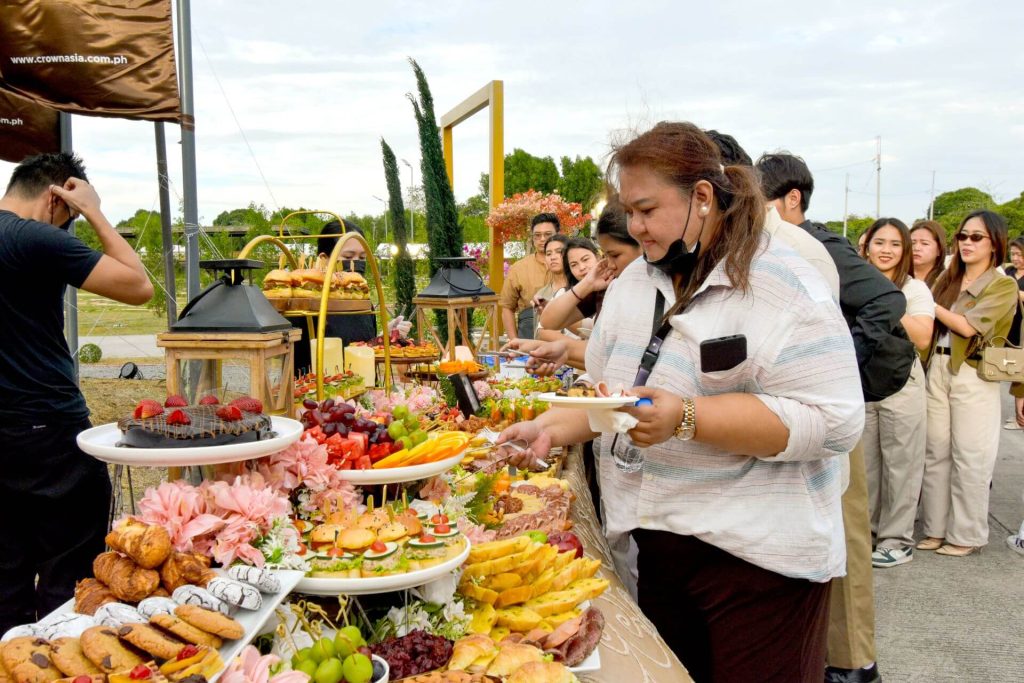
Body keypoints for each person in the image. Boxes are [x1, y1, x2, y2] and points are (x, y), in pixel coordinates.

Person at [501, 122, 862, 682]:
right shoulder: (632, 284)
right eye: (628, 210)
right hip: (661, 546)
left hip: (759, 563)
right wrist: (547, 428)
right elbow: (612, 398)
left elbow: (834, 421)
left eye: (646, 210)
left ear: (703, 196)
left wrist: (688, 417)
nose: (634, 227)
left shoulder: (783, 281)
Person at [756, 151, 914, 683]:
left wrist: (842, 358)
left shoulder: (816, 243)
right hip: (808, 408)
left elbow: (886, 300)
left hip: (833, 409)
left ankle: (854, 664)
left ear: (791, 199)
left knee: (845, 532)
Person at [0, 152, 153, 633]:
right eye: (69, 219)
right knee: (71, 578)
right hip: (48, 431)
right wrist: (94, 212)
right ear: (55, 199)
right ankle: (62, 654)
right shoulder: (33, 236)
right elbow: (138, 286)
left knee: (4, 579)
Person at [918, 210, 1017, 557]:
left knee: (971, 455)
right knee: (935, 452)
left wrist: (927, 303)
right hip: (936, 366)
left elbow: (968, 327)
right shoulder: (946, 279)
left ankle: (966, 533)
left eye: (976, 237)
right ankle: (934, 528)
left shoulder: (1001, 285)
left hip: (974, 372)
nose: (967, 243)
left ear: (995, 244)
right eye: (962, 236)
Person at [860, 218, 934, 568]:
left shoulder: (913, 288)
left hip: (903, 381)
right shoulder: (854, 284)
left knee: (901, 465)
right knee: (865, 467)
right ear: (866, 247)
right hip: (863, 381)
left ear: (904, 250)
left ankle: (897, 540)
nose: (886, 250)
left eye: (894, 244)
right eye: (879, 242)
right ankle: (866, 534)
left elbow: (923, 337)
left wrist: (885, 303)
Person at [292, 221, 379, 374]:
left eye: (362, 257)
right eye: (348, 256)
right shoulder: (307, 302)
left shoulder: (362, 300)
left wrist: (385, 336)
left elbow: (365, 345)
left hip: (364, 384)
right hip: (318, 384)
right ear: (324, 258)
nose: (356, 263)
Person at [499, 213, 559, 340]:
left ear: (558, 234)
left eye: (548, 234)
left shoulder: (571, 264)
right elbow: (507, 308)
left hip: (565, 335)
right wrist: (515, 341)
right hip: (528, 335)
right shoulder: (518, 268)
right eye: (537, 235)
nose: (542, 239)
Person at [1001, 237, 1024, 430]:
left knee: (1021, 375)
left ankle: (1020, 418)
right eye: (1013, 254)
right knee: (1015, 371)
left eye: (1020, 254)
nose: (1015, 258)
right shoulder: (1007, 273)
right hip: (1008, 330)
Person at [530, 234, 569, 325]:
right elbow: (538, 330)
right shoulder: (541, 295)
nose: (553, 257)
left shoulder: (581, 288)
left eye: (559, 252)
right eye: (548, 254)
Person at [910, 220, 948, 287]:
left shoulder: (947, 281)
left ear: (939, 250)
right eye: (912, 243)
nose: (916, 248)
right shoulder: (897, 277)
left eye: (925, 243)